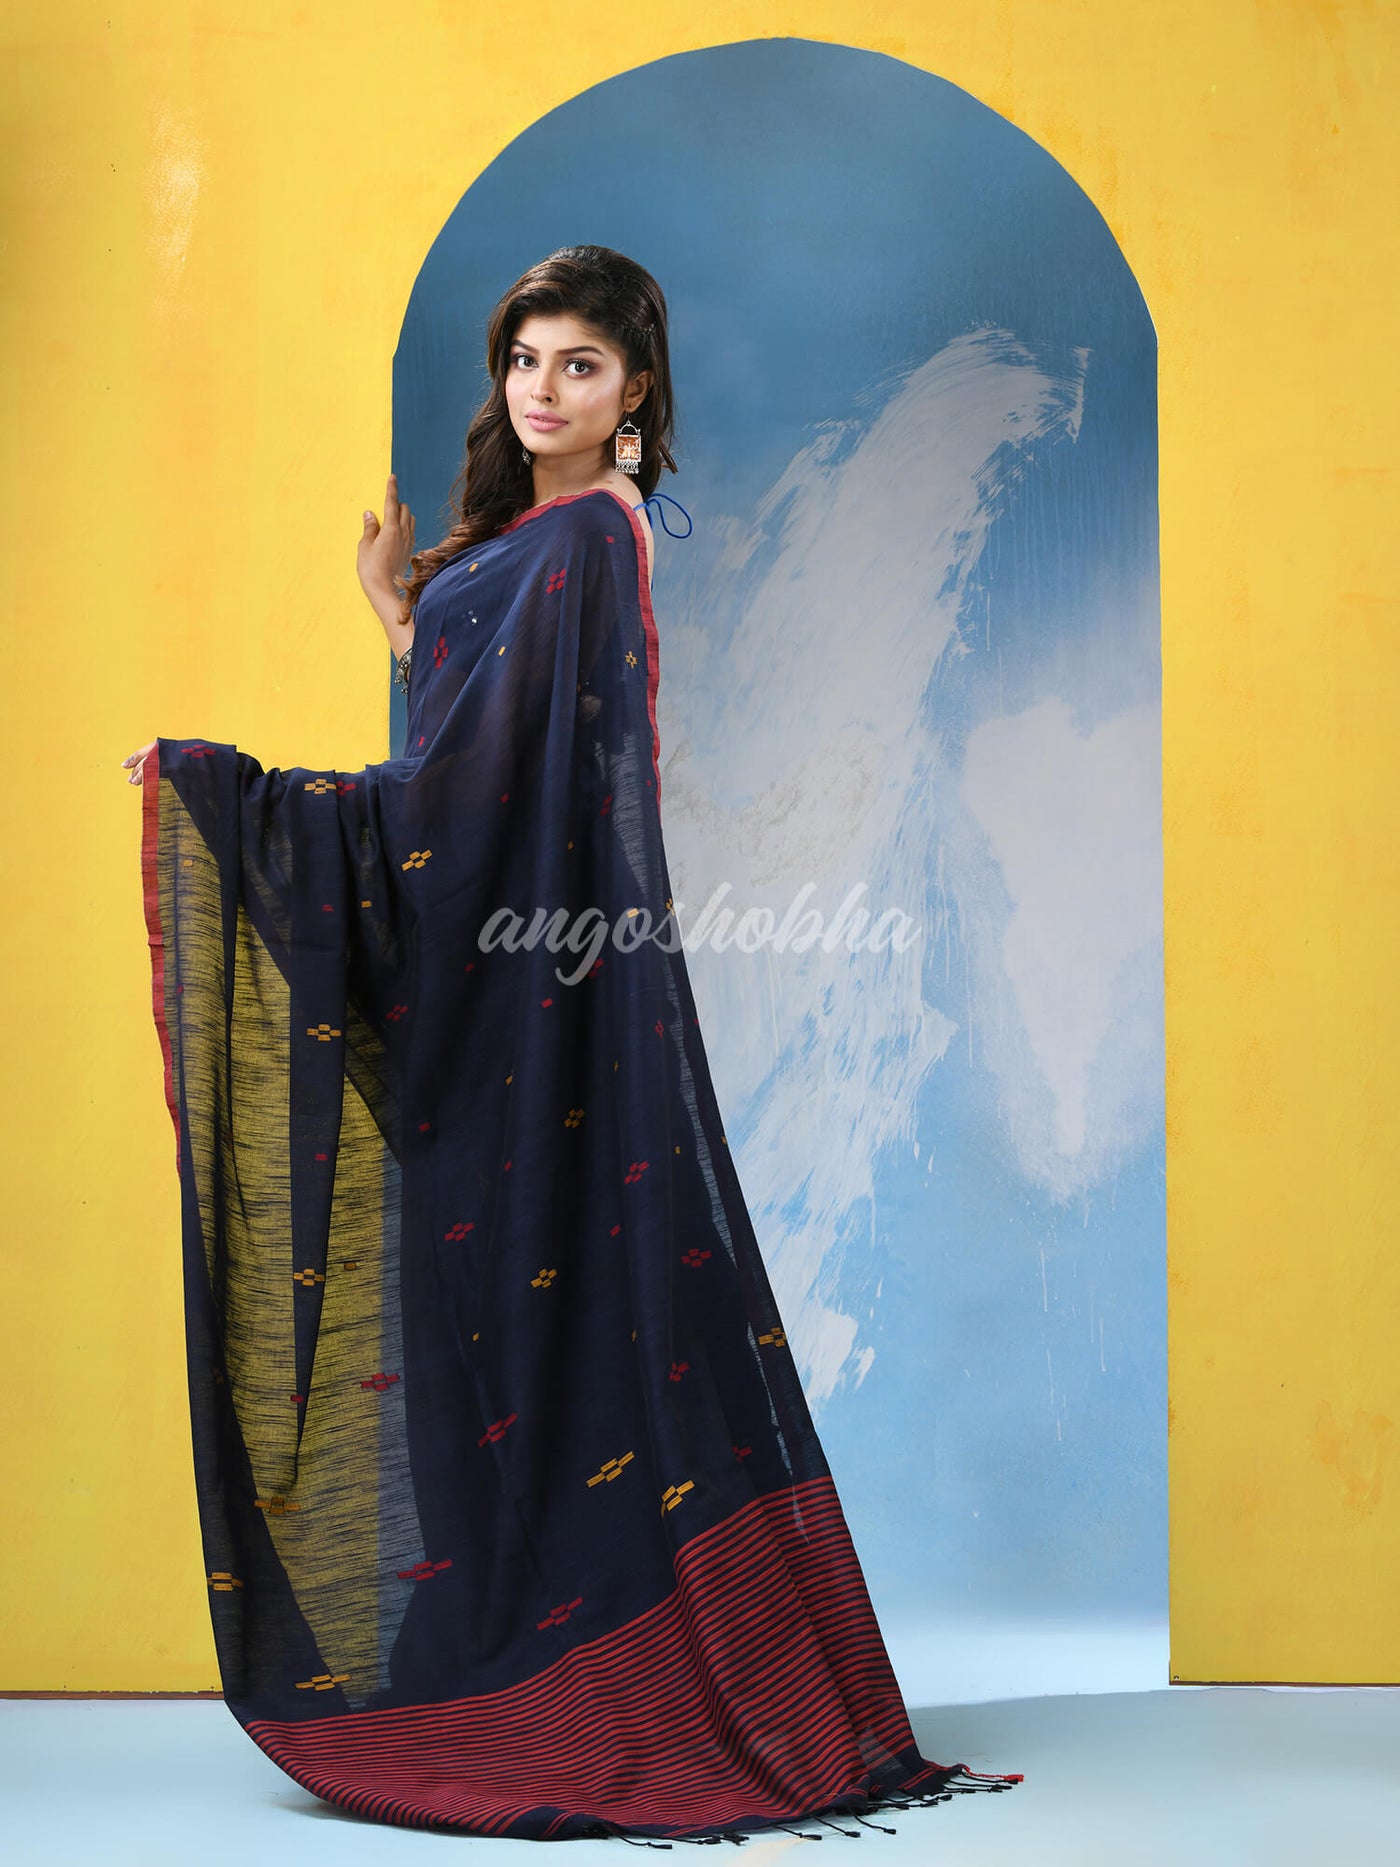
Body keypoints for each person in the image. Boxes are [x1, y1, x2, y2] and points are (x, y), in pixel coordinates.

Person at [122, 245, 1021, 1843]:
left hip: (543, 981)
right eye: (525, 360)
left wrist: (235, 797)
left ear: (635, 391)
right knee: (519, 1299)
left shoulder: (592, 539)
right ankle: (570, 1642)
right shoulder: (530, 540)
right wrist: (401, 616)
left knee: (570, 1296)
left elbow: (476, 798)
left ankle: (620, 1675)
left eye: (579, 366)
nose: (543, 389)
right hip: (523, 974)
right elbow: (478, 742)